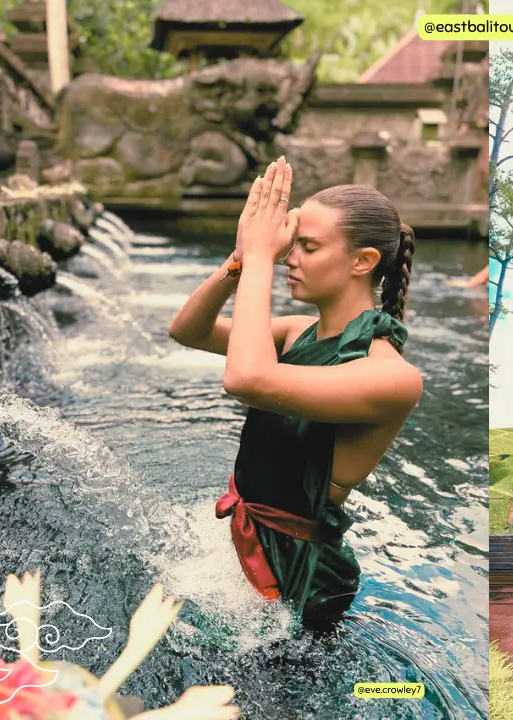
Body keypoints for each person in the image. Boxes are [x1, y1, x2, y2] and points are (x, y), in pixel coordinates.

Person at [168, 157, 424, 630]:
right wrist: (241, 259)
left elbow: (245, 378)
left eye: (307, 246)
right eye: (290, 245)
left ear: (363, 261)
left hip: (300, 586)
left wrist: (260, 260)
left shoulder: (391, 376)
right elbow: (188, 330)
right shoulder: (296, 331)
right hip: (248, 548)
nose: (289, 257)